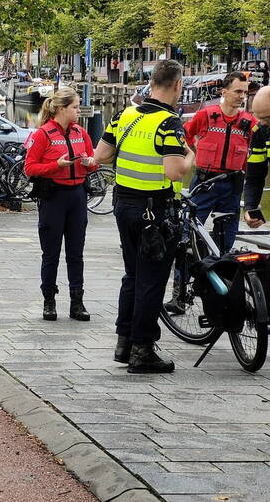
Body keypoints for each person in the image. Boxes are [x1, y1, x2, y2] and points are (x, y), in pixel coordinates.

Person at [94, 59, 194, 374]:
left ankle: (124, 342)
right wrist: (191, 155)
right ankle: (142, 349)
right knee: (152, 279)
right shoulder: (169, 122)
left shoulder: (125, 114)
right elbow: (174, 170)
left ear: (151, 82)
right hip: (155, 210)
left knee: (132, 275)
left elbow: (101, 156)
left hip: (124, 204)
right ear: (177, 85)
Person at [23, 87, 98, 322]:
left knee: (76, 254)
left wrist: (89, 162)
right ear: (61, 109)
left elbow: (93, 162)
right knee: (51, 254)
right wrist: (56, 165)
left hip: (76, 195)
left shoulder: (80, 132)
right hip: (53, 197)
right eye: (75, 107)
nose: (78, 111)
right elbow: (30, 168)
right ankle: (49, 301)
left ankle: (77, 302)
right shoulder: (43, 134)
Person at [181, 71, 256, 252]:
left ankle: (221, 274)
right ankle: (182, 276)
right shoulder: (206, 116)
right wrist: (194, 152)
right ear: (224, 92)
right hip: (205, 182)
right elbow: (184, 134)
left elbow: (257, 152)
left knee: (227, 236)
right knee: (189, 231)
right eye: (238, 91)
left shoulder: (249, 122)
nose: (242, 97)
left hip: (232, 184)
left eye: (245, 92)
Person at [242, 85, 270, 229]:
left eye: (267, 118)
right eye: (259, 118)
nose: (263, 123)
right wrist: (250, 207)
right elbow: (255, 176)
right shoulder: (260, 131)